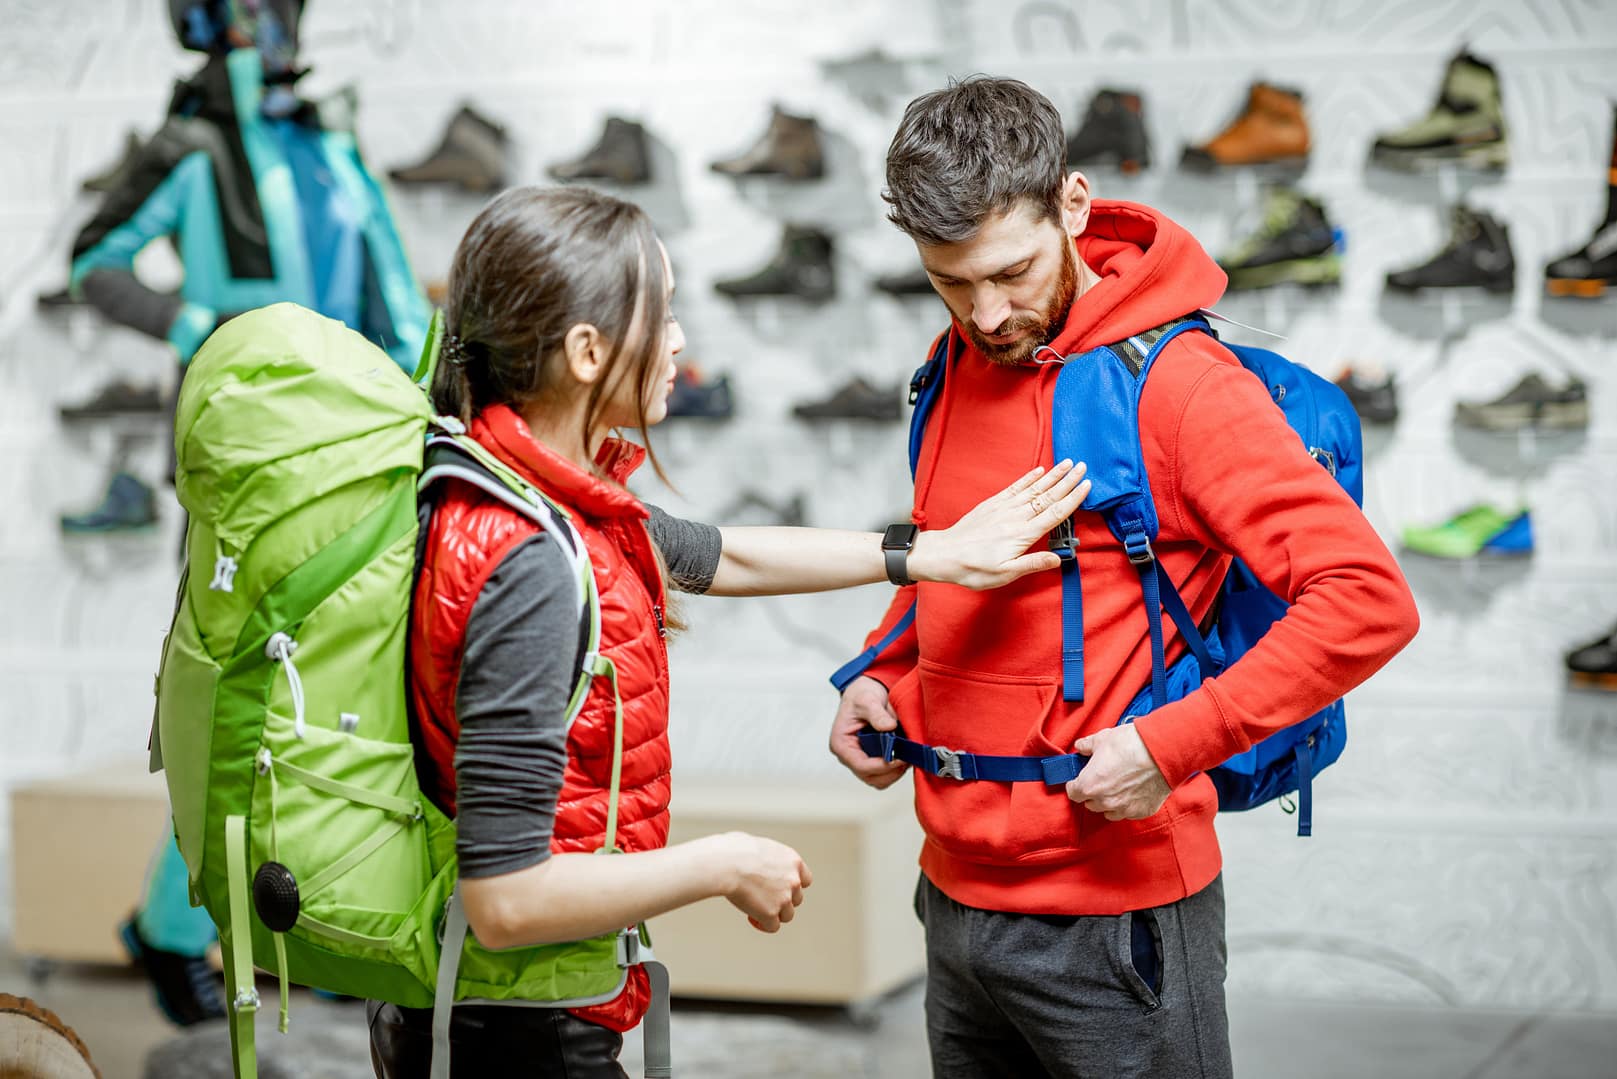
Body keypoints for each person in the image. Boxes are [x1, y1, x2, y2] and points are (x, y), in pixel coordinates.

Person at [367, 183, 1094, 1078]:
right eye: (661, 314)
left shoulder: (529, 496)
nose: (678, 341)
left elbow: (722, 556)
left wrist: (927, 553)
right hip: (514, 1032)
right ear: (588, 350)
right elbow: (508, 899)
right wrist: (723, 861)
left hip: (507, 1008)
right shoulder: (530, 564)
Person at [827, 77, 1420, 1079]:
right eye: (949, 280)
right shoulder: (949, 369)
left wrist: (1171, 741)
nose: (987, 311)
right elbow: (955, 561)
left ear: (1073, 203)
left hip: (1118, 920)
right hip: (953, 897)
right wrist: (885, 674)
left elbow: (1368, 600)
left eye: (1011, 271)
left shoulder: (1179, 386)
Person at [71, 0, 430, 1024]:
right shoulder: (189, 147)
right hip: (247, 455)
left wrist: (436, 400)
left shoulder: (332, 147)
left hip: (359, 452)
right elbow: (94, 261)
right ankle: (174, 920)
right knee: (240, 700)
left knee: (349, 691)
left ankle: (306, 915)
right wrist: (201, 325)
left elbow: (398, 298)